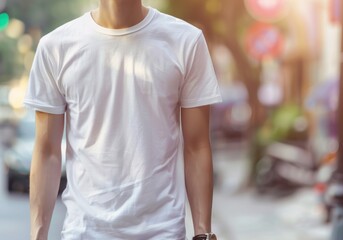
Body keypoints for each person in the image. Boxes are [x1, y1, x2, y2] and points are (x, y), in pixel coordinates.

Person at [24, 0, 221, 239]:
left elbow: (197, 146)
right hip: (85, 231)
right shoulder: (55, 47)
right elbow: (47, 152)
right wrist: (37, 235)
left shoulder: (186, 41)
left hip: (161, 231)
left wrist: (203, 233)